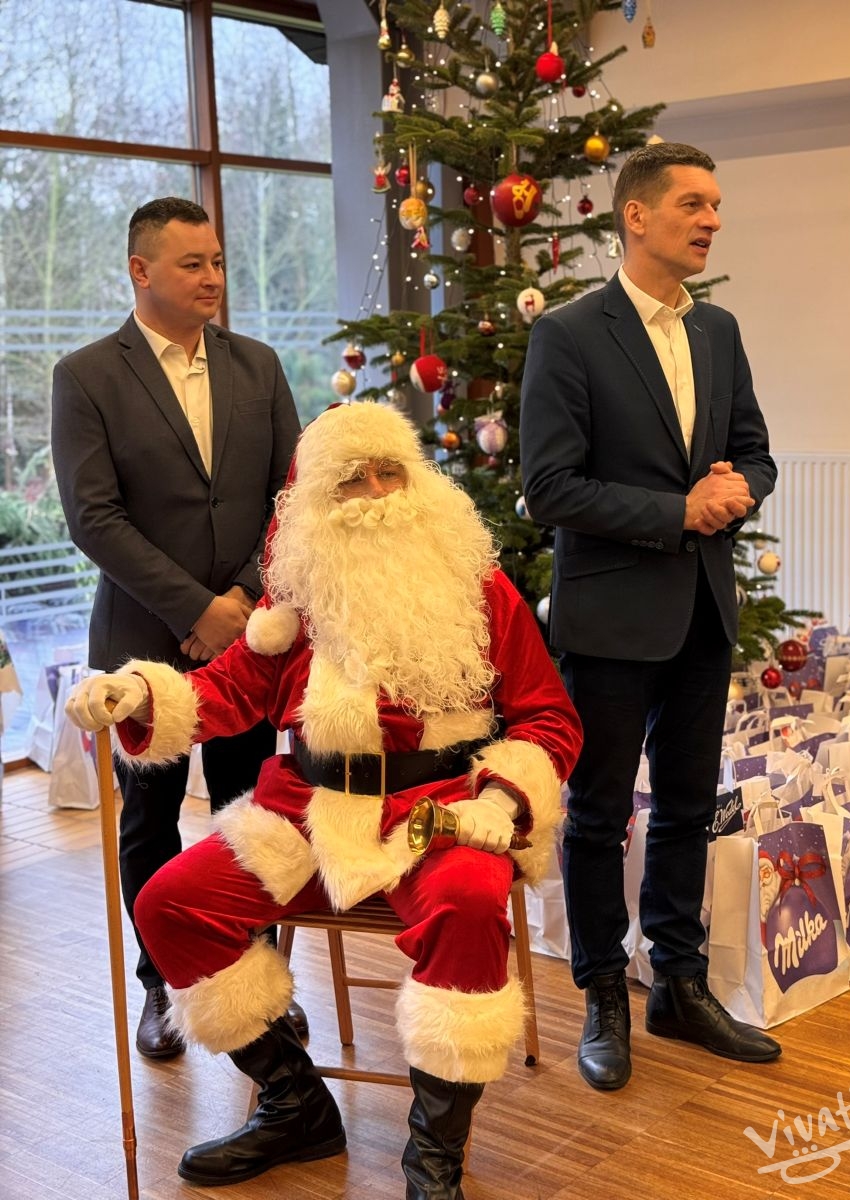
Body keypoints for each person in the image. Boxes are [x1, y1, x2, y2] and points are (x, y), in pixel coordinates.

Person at [64, 400, 583, 1197]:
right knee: (170, 904)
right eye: (351, 479)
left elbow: (549, 717)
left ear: (415, 480)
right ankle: (295, 1105)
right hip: (309, 812)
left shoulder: (479, 589)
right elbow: (226, 690)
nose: (375, 492)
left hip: (440, 814)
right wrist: (136, 694)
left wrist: (504, 802)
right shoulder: (296, 607)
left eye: (389, 472)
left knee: (469, 904)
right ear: (316, 499)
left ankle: (434, 1152)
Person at [519, 142, 781, 1092]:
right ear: (636, 215)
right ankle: (602, 993)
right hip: (610, 618)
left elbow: (756, 453)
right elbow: (549, 486)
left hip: (703, 610)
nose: (712, 220)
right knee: (596, 817)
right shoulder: (570, 334)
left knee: (685, 806)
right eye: (693, 204)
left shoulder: (718, 330)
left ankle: (677, 982)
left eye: (716, 205)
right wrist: (677, 511)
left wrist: (737, 491)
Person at [51, 197, 302, 1060]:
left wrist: (239, 600)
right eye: (193, 263)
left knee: (250, 815)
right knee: (150, 821)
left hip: (250, 637)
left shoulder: (259, 364)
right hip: (141, 643)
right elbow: (93, 516)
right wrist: (195, 609)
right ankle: (163, 985)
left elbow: (291, 498)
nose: (212, 278)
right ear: (140, 270)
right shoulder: (87, 376)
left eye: (218, 262)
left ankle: (258, 983)